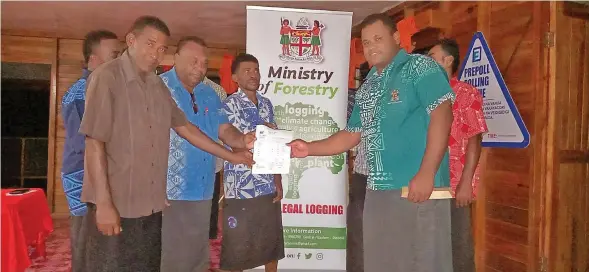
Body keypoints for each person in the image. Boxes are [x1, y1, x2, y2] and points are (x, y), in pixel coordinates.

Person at [79, 16, 254, 272]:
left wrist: (234, 156)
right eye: (150, 44)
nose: (155, 54)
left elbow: (186, 129)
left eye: (161, 48)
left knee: (148, 265)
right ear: (131, 40)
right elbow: (94, 143)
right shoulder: (107, 78)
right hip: (117, 202)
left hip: (150, 205)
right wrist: (103, 204)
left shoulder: (157, 86)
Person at [289, 13, 455, 272]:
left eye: (378, 38)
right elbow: (352, 134)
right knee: (383, 261)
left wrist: (427, 172)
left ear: (396, 38)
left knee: (423, 261)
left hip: (416, 186)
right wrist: (309, 148)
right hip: (377, 188)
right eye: (366, 42)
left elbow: (442, 114)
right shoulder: (369, 86)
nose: (371, 47)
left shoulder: (419, 67)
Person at [160, 36, 250, 272]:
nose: (200, 68)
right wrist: (233, 156)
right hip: (168, 189)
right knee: (171, 257)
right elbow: (187, 132)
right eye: (193, 61)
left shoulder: (211, 93)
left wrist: (243, 140)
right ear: (176, 58)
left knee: (198, 255)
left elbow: (224, 129)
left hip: (203, 186)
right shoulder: (158, 88)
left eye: (204, 63)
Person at [61, 29, 120, 272]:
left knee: (104, 246)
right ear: (93, 60)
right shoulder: (83, 91)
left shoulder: (100, 88)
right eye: (114, 55)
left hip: (100, 177)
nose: (119, 62)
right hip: (83, 177)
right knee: (87, 246)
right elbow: (85, 143)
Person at [219, 53, 285, 272]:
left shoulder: (267, 104)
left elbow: (274, 145)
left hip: (266, 184)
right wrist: (262, 134)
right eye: (247, 70)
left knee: (270, 243)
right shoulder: (229, 105)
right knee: (238, 247)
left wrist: (278, 179)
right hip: (240, 187)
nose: (253, 74)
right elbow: (233, 143)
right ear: (235, 77)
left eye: (256, 69)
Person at [428, 38, 488, 272]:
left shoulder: (466, 93)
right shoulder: (428, 94)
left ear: (448, 60)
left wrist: (466, 182)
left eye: (432, 57)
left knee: (458, 244)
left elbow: (475, 139)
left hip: (454, 184)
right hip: (429, 181)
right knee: (430, 244)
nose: (427, 62)